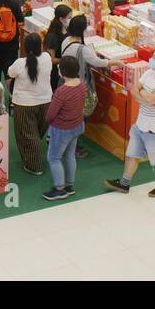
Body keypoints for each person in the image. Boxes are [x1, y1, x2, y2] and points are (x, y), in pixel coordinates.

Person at [104, 45, 155, 197]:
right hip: (141, 123)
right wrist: (145, 98)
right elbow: (133, 90)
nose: (151, 59)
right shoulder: (149, 73)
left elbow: (148, 97)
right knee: (132, 154)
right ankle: (124, 184)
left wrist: (143, 94)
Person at [8, 32, 53, 175]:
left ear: (25, 47)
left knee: (27, 134)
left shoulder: (20, 63)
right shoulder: (46, 58)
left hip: (24, 104)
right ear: (41, 46)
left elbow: (10, 73)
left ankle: (34, 166)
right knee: (36, 133)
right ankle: (34, 157)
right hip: (46, 102)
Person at [43, 54, 86, 200]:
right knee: (69, 155)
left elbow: (50, 114)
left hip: (61, 129)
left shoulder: (61, 92)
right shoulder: (81, 84)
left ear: (62, 72)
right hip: (77, 125)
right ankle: (69, 185)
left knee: (53, 158)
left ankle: (59, 188)